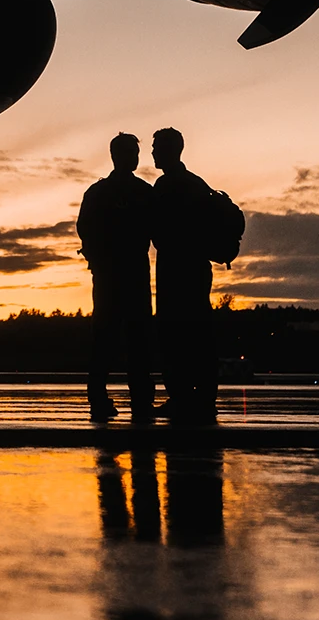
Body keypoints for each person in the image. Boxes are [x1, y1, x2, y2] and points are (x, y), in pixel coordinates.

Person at [77, 133, 155, 423]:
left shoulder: (97, 193)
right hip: (133, 274)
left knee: (105, 338)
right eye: (133, 153)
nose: (136, 158)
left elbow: (84, 229)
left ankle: (98, 397)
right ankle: (141, 398)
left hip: (108, 275)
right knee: (137, 338)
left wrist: (97, 257)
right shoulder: (144, 192)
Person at [150, 127, 219, 424]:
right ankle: (203, 398)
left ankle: (180, 397)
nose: (152, 152)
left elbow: (156, 230)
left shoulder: (165, 185)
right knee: (198, 334)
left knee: (174, 334)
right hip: (197, 269)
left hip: (175, 270)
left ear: (168, 150)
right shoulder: (196, 183)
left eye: (156, 147)